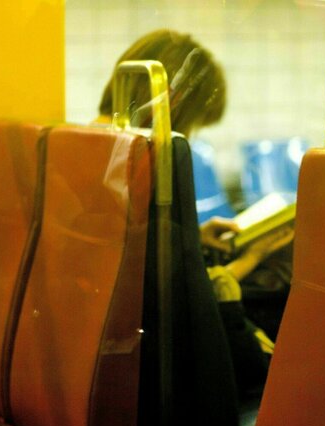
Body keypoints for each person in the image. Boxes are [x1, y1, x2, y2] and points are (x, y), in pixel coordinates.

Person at [96, 29, 292, 396]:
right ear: (175, 102)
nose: (192, 132)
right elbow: (175, 297)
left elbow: (137, 253)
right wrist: (253, 256)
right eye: (195, 120)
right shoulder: (142, 159)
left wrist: (194, 237)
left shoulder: (89, 141)